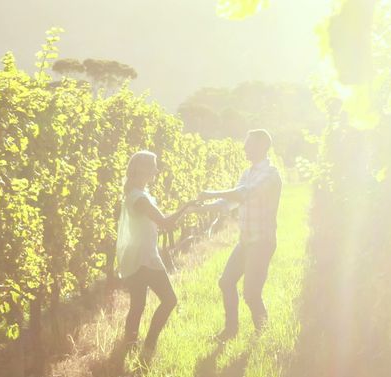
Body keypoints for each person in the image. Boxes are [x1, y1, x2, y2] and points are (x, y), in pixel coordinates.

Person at [198, 129, 283, 340]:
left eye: (249, 144)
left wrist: (213, 192)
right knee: (226, 282)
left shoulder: (271, 174)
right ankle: (231, 330)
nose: (244, 148)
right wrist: (199, 207)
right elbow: (231, 201)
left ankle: (262, 334)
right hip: (246, 241)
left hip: (262, 242)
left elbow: (244, 193)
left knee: (251, 294)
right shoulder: (248, 173)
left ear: (262, 146)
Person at [116, 150, 198, 357]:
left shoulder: (137, 194)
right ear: (143, 169)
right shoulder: (139, 198)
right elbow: (165, 223)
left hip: (135, 256)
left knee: (138, 305)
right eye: (154, 165)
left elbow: (154, 224)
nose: (157, 170)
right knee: (169, 300)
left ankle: (130, 348)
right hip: (144, 257)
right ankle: (148, 347)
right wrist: (186, 207)